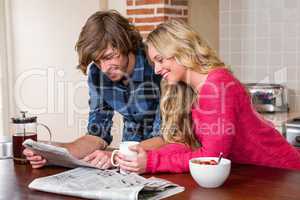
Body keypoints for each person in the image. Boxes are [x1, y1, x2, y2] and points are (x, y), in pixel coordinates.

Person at [116, 19, 300, 174]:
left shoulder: (217, 86)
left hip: (282, 172)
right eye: (153, 62)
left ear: (181, 51)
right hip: (253, 174)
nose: (156, 70)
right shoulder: (190, 89)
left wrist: (151, 163)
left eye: (160, 60)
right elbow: (186, 144)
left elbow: (211, 157)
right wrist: (143, 155)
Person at [23, 10, 164, 169]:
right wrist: (55, 153)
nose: (104, 68)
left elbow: (167, 138)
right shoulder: (97, 74)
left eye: (109, 56)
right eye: (97, 61)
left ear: (126, 44)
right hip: (128, 161)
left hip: (165, 158)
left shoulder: (157, 65)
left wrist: (117, 155)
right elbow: (97, 135)